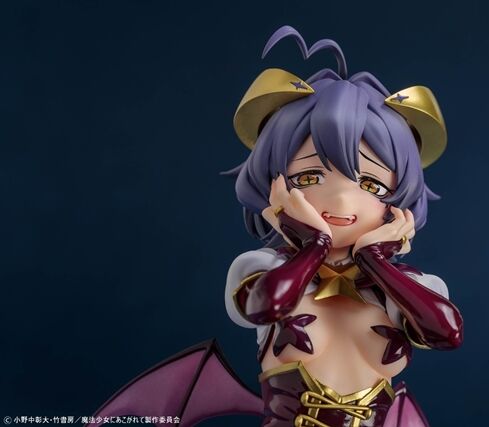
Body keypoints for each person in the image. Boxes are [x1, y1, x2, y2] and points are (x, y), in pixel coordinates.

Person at [88, 25, 463, 427]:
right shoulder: (263, 268)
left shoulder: (409, 288)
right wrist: (314, 245)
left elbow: (447, 335)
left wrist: (373, 260)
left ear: (397, 201)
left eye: (371, 185)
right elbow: (266, 307)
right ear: (274, 185)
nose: (342, 201)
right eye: (309, 177)